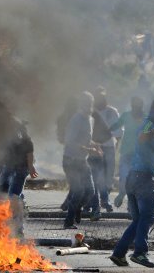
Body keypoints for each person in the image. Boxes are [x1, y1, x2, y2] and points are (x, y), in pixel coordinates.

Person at [109, 98, 154, 269]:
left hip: (133, 178)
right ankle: (140, 253)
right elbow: (142, 137)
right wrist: (151, 134)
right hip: (143, 178)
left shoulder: (149, 123)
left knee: (138, 221)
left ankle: (119, 254)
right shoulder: (149, 124)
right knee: (148, 217)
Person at [0, 103, 38, 236]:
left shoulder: (19, 131)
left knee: (13, 195)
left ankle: (18, 227)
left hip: (20, 168)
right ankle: (4, 223)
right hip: (8, 166)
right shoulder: (1, 130)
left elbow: (29, 148)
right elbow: (1, 150)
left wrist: (30, 166)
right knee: (1, 193)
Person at [62, 92, 98, 229]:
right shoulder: (76, 119)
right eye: (85, 102)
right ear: (81, 104)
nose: (88, 105)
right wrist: (87, 149)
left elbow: (86, 139)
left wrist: (95, 145)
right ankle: (68, 222)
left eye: (90, 102)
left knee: (90, 191)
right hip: (71, 161)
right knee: (77, 191)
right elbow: (70, 141)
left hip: (82, 161)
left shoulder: (90, 119)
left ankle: (77, 208)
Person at [88, 88, 120, 218]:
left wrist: (116, 146)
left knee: (107, 175)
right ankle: (103, 201)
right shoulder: (91, 113)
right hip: (96, 149)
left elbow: (118, 132)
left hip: (109, 146)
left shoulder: (112, 111)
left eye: (102, 97)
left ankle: (105, 200)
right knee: (98, 176)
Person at [110, 96, 146, 208]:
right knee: (124, 177)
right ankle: (121, 194)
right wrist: (106, 130)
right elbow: (117, 125)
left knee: (135, 180)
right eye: (134, 105)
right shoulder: (126, 115)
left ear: (141, 106)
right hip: (126, 151)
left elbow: (150, 130)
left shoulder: (146, 118)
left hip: (139, 154)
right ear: (131, 106)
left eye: (138, 105)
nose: (136, 108)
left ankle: (132, 205)